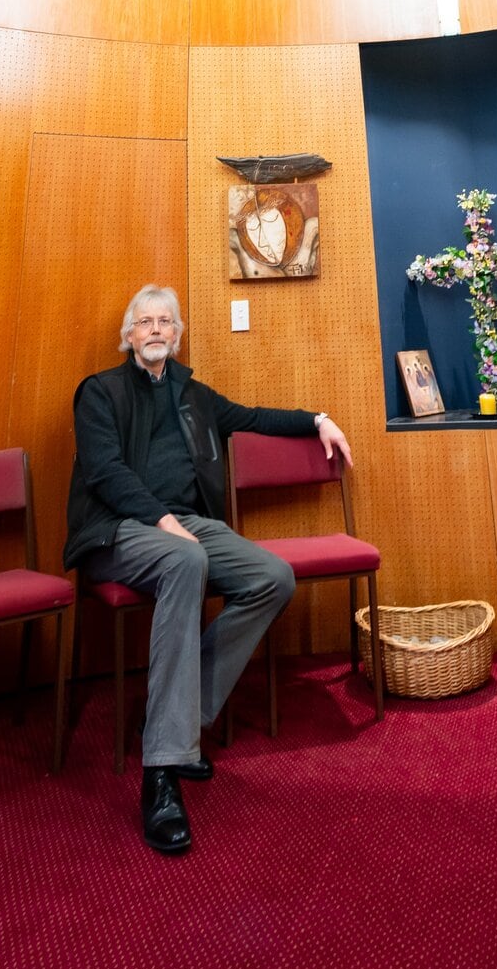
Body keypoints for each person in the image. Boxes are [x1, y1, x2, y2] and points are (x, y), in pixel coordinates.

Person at [64, 284, 353, 855]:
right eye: (144, 322)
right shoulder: (99, 392)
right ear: (128, 335)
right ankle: (163, 770)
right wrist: (159, 519)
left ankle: (177, 712)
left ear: (176, 335)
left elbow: (255, 415)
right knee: (186, 555)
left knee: (272, 578)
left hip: (188, 527)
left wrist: (319, 418)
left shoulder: (193, 395)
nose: (154, 330)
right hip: (118, 529)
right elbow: (103, 472)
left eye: (164, 322)